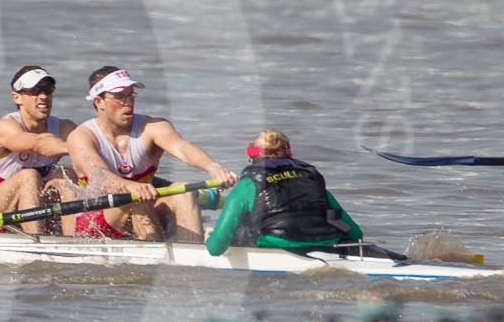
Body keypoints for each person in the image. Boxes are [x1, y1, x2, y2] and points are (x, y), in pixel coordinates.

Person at [66, 68, 237, 242]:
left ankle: (191, 252)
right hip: (95, 222)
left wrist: (212, 166)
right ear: (99, 102)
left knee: (183, 192)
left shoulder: (152, 127)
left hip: (144, 210)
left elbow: (182, 148)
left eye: (131, 95)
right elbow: (100, 177)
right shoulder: (81, 137)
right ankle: (155, 260)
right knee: (137, 200)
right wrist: (130, 186)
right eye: (120, 97)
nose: (128, 102)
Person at [204, 129, 362, 256]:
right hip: (327, 243)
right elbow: (355, 232)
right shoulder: (312, 178)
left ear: (253, 154)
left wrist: (210, 238)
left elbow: (215, 249)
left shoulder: (249, 184)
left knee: (229, 232)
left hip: (276, 245)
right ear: (289, 151)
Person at [0, 64, 80, 233]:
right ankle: (37, 241)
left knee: (66, 174)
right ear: (17, 97)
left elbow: (92, 148)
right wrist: (77, 148)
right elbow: (39, 144)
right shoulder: (4, 127)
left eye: (48, 90)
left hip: (30, 209)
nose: (43, 96)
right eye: (35, 91)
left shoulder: (64, 127)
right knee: (28, 176)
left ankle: (74, 240)